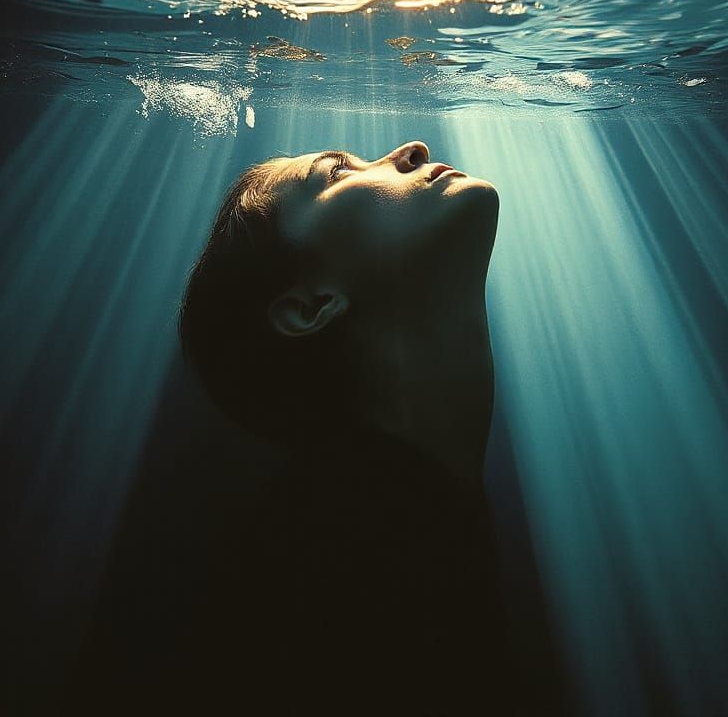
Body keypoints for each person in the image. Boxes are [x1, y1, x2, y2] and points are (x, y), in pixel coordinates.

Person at [174, 140, 518, 714]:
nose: (410, 149)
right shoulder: (325, 569)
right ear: (311, 305)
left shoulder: (373, 527)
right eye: (334, 172)